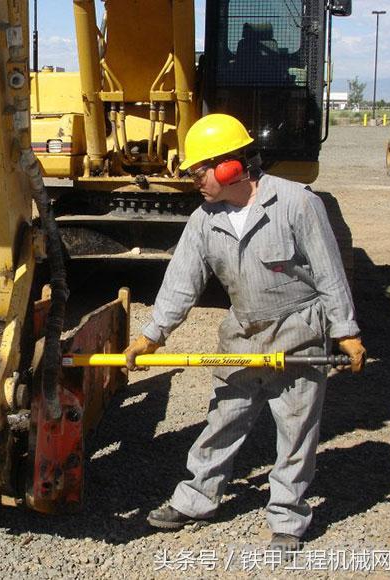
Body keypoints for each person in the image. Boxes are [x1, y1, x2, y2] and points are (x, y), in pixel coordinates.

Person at [124, 114, 366, 550]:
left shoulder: (296, 203)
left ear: (230, 166)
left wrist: (346, 332)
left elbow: (330, 274)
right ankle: (197, 497)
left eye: (199, 171)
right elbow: (182, 281)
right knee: (225, 415)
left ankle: (288, 520)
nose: (194, 180)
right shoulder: (204, 219)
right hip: (242, 331)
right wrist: (152, 334)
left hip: (298, 332)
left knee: (295, 428)